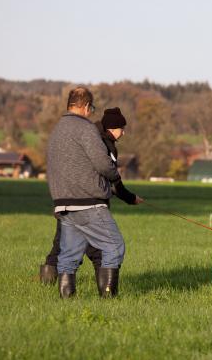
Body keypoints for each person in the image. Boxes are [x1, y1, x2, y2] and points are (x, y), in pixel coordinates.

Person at [46, 87, 142, 298]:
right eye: (92, 108)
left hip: (63, 203)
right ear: (87, 106)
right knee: (114, 247)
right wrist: (115, 178)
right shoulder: (86, 129)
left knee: (68, 256)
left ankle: (66, 301)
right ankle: (108, 299)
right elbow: (103, 164)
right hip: (88, 201)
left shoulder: (57, 130)